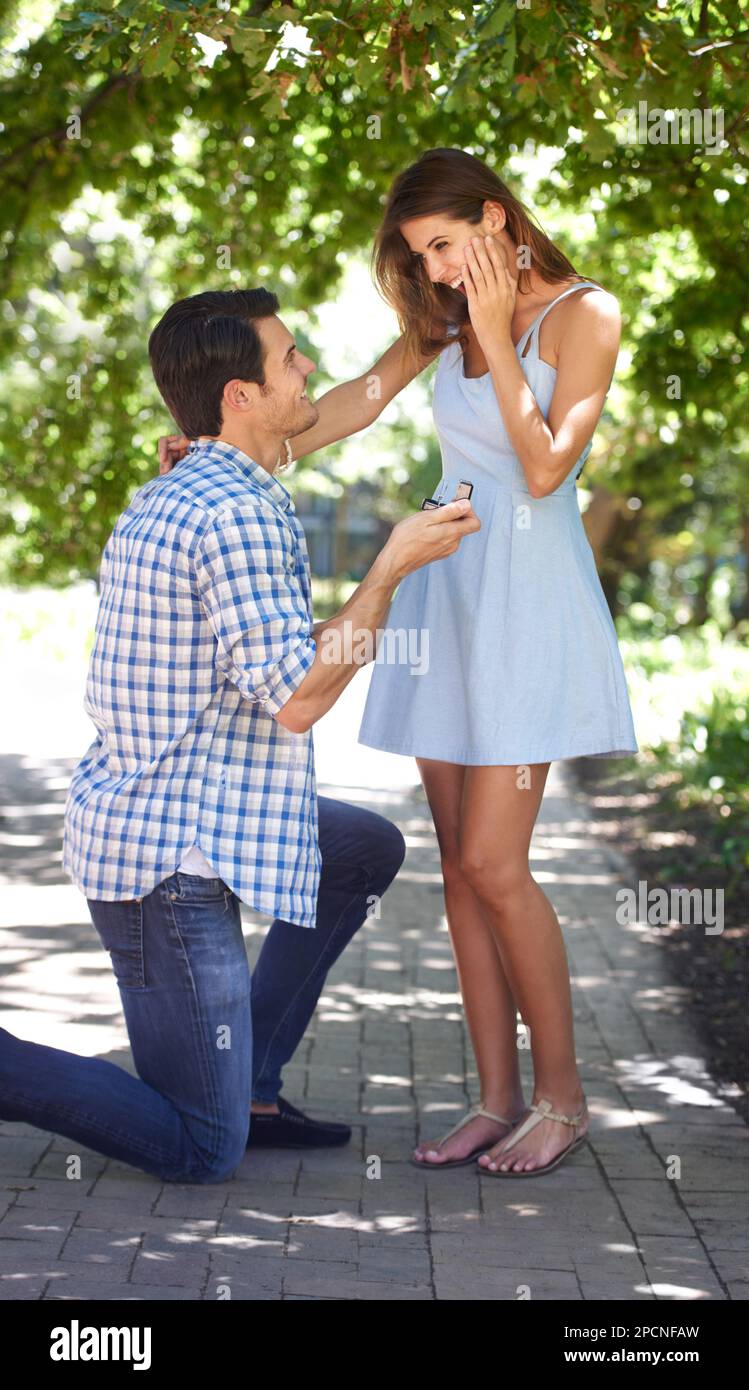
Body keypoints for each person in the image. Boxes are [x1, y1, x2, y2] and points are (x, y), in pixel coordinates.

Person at [0, 286, 480, 1185]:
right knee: (198, 1148)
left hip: (183, 806)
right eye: (290, 356)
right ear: (239, 396)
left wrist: (422, 341)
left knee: (360, 848)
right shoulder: (233, 512)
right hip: (164, 863)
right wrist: (392, 566)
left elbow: (350, 402)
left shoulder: (212, 477)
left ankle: (249, 1080)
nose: (307, 367)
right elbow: (298, 699)